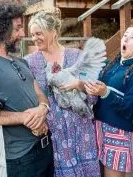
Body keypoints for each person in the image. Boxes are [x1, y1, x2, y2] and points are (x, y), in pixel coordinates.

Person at [0, 2, 54, 177]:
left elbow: (40, 94)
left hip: (44, 147)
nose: (23, 34)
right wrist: (25, 117)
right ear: (2, 30)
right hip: (19, 158)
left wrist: (43, 110)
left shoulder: (21, 62)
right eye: (18, 28)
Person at [24, 11, 100, 177]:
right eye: (32, 35)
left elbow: (94, 94)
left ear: (53, 32)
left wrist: (80, 85)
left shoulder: (77, 57)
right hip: (53, 132)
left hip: (81, 129)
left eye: (39, 33)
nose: (34, 38)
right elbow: (26, 96)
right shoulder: (29, 62)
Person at [84, 24, 133, 177]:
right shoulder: (108, 66)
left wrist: (106, 92)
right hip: (97, 128)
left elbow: (130, 109)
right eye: (125, 35)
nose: (126, 38)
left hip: (117, 133)